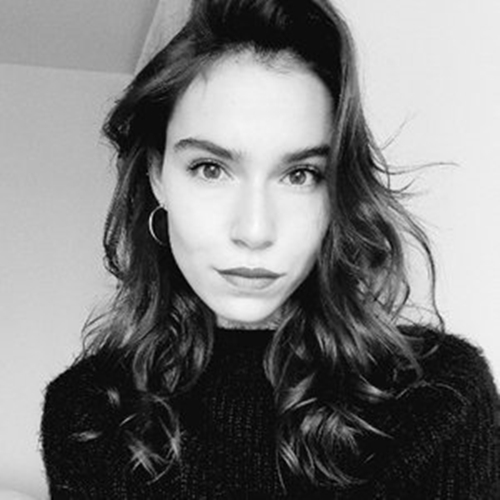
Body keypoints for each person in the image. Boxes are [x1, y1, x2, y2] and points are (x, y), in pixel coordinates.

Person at [41, 0, 500, 498]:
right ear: (157, 176)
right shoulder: (87, 416)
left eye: (300, 175)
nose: (255, 230)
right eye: (210, 169)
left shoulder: (440, 401)